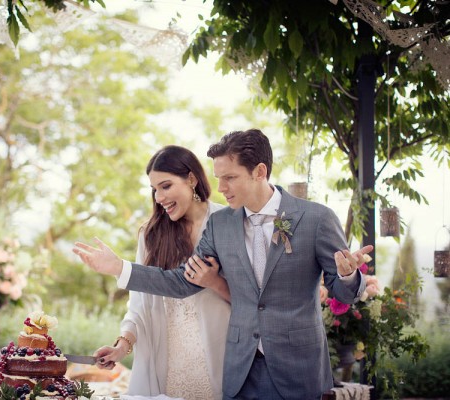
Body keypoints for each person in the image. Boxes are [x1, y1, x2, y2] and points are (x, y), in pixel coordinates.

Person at [74, 129, 371, 400]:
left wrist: (346, 276)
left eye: (230, 178)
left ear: (259, 171)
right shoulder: (220, 224)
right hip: (239, 371)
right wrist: (119, 268)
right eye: (218, 178)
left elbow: (345, 294)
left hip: (298, 368)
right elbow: (181, 282)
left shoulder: (316, 218)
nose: (221, 187)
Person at [94, 145, 231, 399]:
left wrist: (215, 281)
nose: (159, 197)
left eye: (166, 186)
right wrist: (122, 345)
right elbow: (139, 304)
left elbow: (247, 296)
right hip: (166, 363)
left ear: (191, 179)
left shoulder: (228, 221)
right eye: (154, 189)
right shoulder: (151, 234)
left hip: (220, 356)